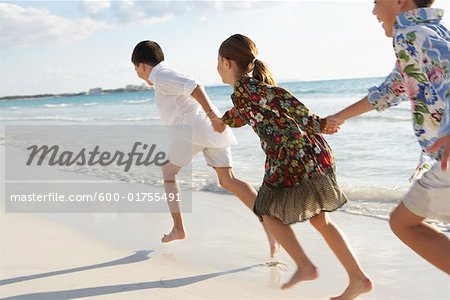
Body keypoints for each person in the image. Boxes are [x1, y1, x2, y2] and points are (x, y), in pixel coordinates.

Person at [214, 34, 372, 299]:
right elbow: (245, 114)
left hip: (293, 157)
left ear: (226, 62)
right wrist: (222, 120)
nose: (216, 67)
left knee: (267, 211)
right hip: (310, 153)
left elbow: (282, 100)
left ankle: (305, 266)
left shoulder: (246, 89)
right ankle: (358, 279)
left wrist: (318, 122)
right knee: (320, 219)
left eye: (217, 62)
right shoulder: (245, 94)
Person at [326, 0, 450, 274]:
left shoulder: (412, 34)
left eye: (375, 2)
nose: (373, 11)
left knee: (404, 223)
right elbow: (391, 90)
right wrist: (340, 117)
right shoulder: (428, 32)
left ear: (399, 2)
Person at [131, 40, 279, 257]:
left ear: (142, 66)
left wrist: (212, 115)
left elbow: (194, 85)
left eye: (136, 69)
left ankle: (178, 228)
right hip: (208, 130)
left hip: (193, 130)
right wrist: (213, 119)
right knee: (228, 180)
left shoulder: (160, 75)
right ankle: (271, 225)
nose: (138, 74)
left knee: (168, 173)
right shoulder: (164, 75)